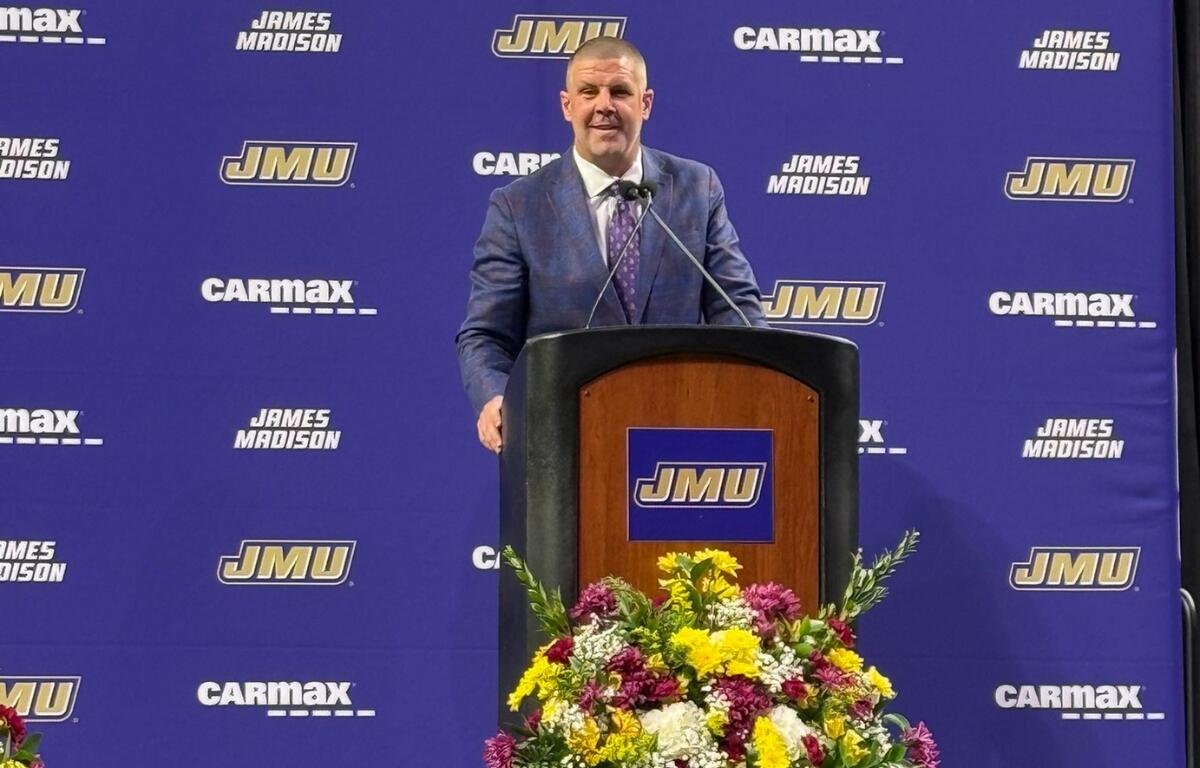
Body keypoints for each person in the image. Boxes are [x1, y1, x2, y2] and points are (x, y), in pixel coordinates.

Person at [456, 36, 767, 454]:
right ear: (567, 105)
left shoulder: (696, 187)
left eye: (620, 91)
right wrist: (495, 396)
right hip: (565, 440)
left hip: (681, 434)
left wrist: (762, 385)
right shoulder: (519, 205)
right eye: (589, 92)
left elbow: (737, 311)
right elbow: (486, 334)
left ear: (645, 103)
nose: (604, 105)